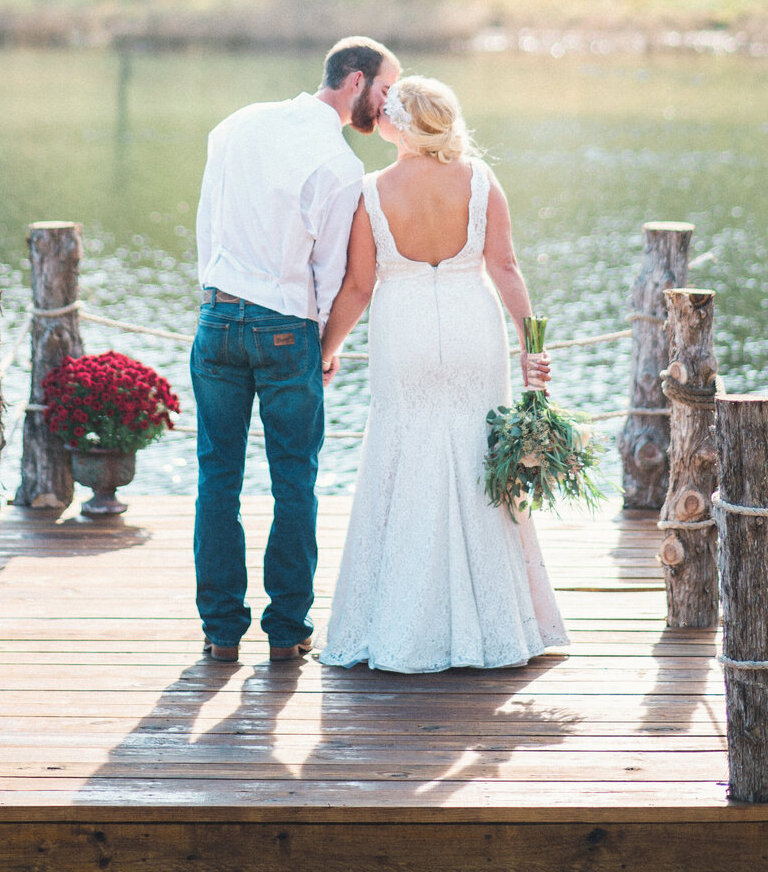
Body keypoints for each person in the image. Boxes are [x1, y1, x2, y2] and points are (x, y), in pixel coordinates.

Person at [318, 74, 569, 671]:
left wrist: (325, 351)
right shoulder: (479, 180)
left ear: (402, 125)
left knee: (402, 456)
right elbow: (505, 267)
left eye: (386, 113)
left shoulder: (373, 190)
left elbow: (357, 287)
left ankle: (404, 626)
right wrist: (532, 346)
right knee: (480, 458)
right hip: (471, 330)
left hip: (402, 333)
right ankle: (495, 626)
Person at [191, 36, 401, 663]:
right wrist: (326, 348)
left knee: (217, 479)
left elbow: (209, 224)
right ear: (357, 80)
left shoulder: (235, 125)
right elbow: (333, 276)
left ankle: (221, 632)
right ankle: (287, 632)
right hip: (287, 330)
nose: (388, 106)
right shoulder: (339, 167)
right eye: (387, 90)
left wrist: (218, 300)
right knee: (294, 482)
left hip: (218, 314)